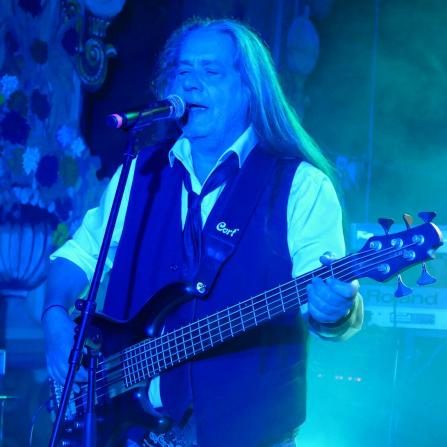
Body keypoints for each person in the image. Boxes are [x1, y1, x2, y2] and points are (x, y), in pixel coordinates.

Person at [42, 18, 363, 447]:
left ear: (249, 90)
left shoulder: (301, 185)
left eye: (211, 71)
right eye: (183, 71)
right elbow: (76, 256)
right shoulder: (141, 173)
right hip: (130, 432)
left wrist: (336, 307)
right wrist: (54, 318)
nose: (191, 83)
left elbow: (328, 307)